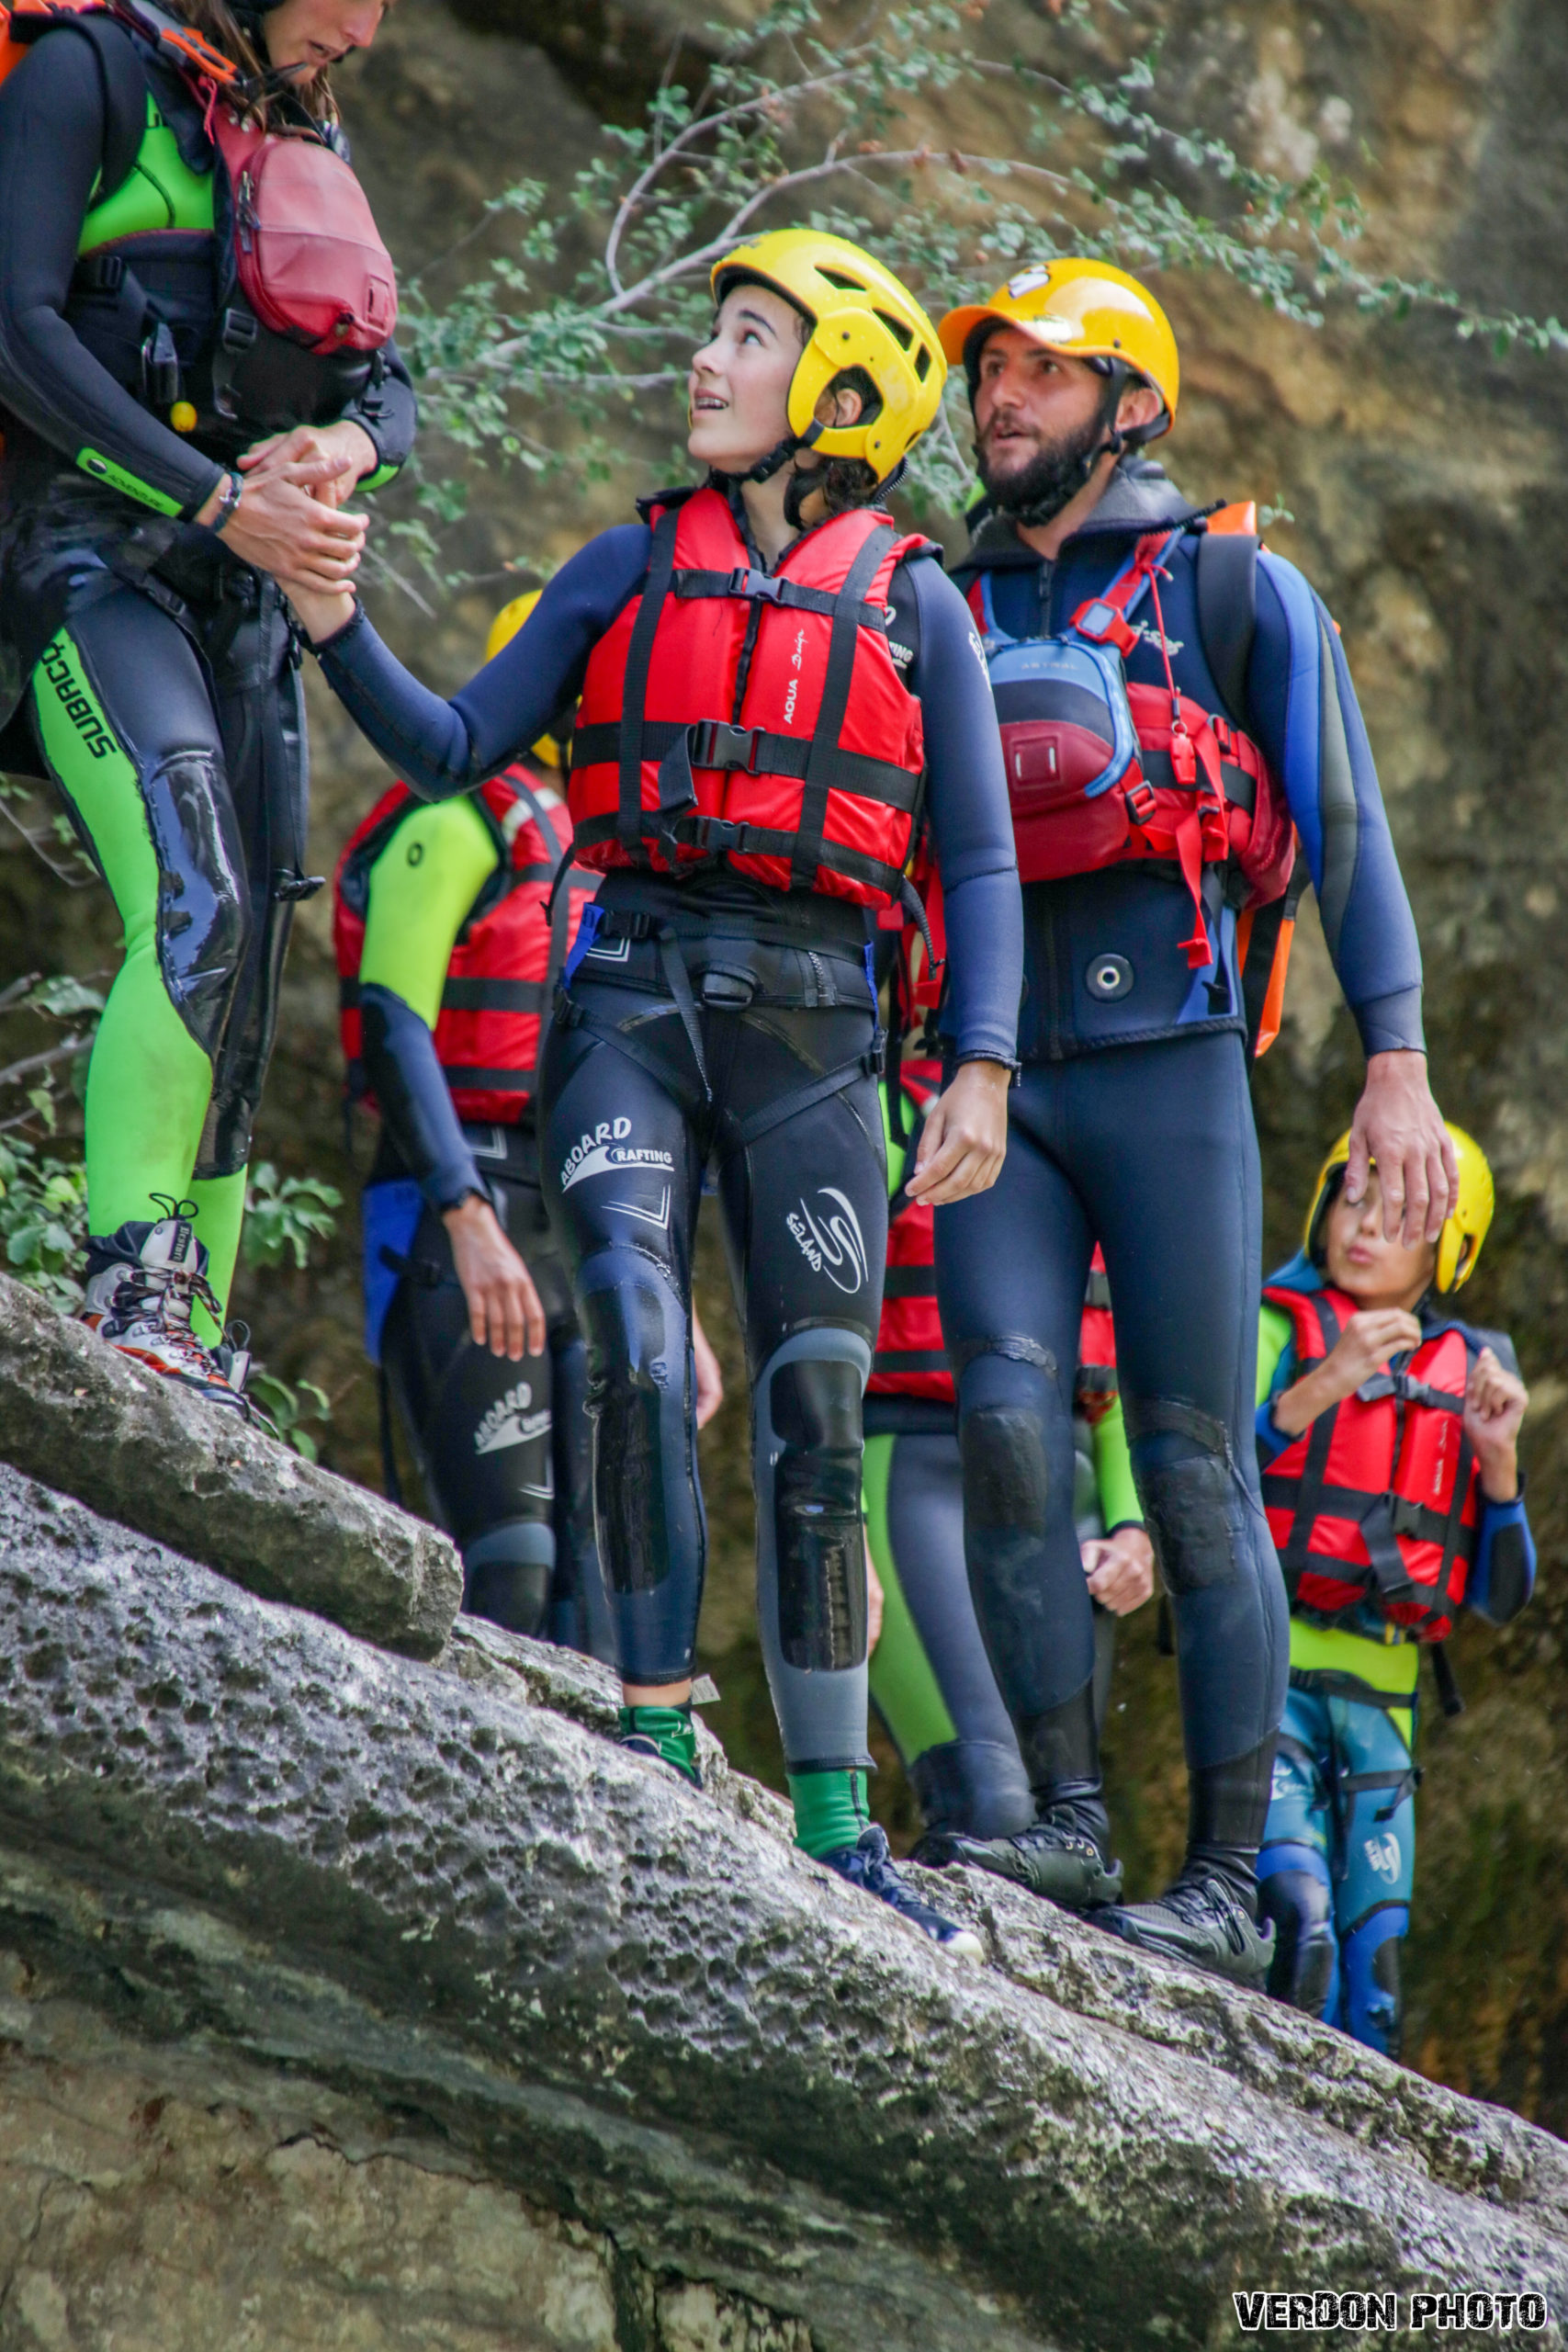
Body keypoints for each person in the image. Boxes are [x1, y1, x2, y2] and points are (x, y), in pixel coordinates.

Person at [269, 230, 1023, 1962]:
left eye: (748, 337)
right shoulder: (625, 563)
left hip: (817, 1035)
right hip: (628, 999)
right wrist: (330, 617)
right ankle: (654, 1724)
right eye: (714, 333)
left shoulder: (915, 605)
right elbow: (453, 746)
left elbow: (978, 863)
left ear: (839, 392)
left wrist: (978, 1066)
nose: (705, 360)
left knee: (817, 1401)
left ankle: (833, 1817)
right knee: (624, 1323)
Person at [919, 259, 1454, 1984]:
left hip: (1171, 1070)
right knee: (1006, 1433)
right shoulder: (934, 595)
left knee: (1193, 1469)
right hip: (994, 1082)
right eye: (989, 369)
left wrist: (1393, 1061)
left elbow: (1345, 830)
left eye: (1044, 370)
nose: (1002, 394)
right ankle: (1064, 1821)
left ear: (1131, 406)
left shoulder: (1231, 586)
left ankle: (1225, 1881)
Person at [0, 0, 412, 1408]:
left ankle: (197, 1353)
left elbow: (392, 386)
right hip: (85, 563)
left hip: (245, 605)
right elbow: (15, 332)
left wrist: (342, 445)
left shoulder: (304, 132)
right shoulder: (87, 73)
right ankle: (132, 1284)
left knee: (250, 976)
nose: (365, 29)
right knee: (198, 900)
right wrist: (217, 499)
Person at [334, 590, 729, 1653]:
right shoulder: (456, 818)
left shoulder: (602, 863)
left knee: (602, 1594)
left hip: (575, 1225)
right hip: (454, 1215)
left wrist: (675, 1300)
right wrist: (466, 1218)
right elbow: (392, 1022)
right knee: (509, 1573)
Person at [1253, 1126, 1533, 2056]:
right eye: (1351, 1197)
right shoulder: (1273, 1327)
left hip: (1383, 1706)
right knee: (1296, 1920)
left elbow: (1503, 1597)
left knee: (1373, 1984)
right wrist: (1324, 1383)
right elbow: (1201, 1486)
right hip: (1267, 1677)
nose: (1364, 1225)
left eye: (1402, 1212)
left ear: (1451, 1249)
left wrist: (1498, 1464)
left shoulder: (1477, 1367)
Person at [864, 1033, 1154, 1840]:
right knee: (988, 1805)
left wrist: (1133, 1528)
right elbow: (805, 1342)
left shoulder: (1104, 1136)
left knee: (1062, 1826)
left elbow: (1116, 1371)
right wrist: (834, 1526)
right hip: (910, 1473)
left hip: (1064, 1489)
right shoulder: (886, 1112)